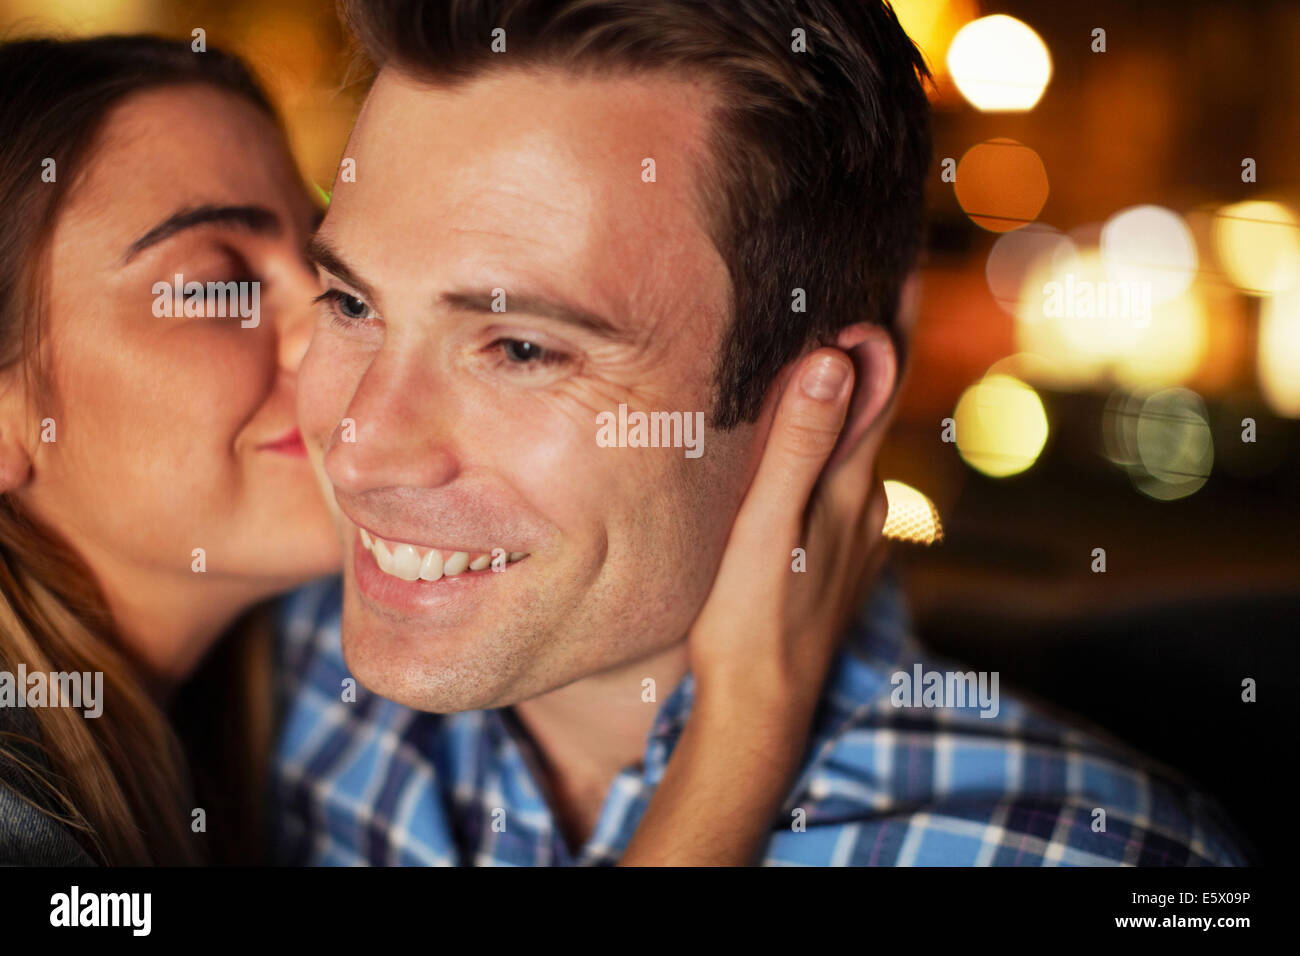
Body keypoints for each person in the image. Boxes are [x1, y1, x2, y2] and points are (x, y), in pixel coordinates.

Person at [274, 0, 1250, 866]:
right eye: (351, 302)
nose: (361, 446)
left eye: (522, 349)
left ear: (833, 399)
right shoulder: (259, 678)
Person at [0, 34, 878, 866]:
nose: (337, 357)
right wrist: (743, 729)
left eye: (339, 292)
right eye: (219, 284)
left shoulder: (255, 701)